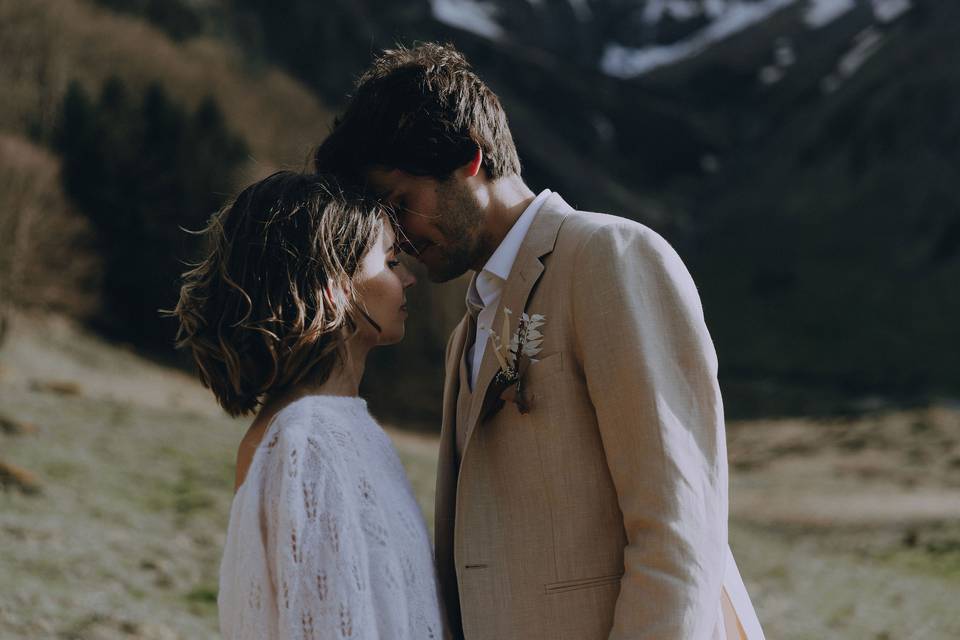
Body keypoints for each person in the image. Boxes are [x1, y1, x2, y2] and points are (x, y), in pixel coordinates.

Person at [314, 43, 766, 640]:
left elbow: (679, 529)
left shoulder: (609, 256)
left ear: (470, 159)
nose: (397, 235)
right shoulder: (466, 329)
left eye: (403, 203)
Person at [172, 171, 444, 639]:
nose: (408, 278)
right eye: (390, 260)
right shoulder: (302, 442)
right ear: (333, 284)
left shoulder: (344, 427)